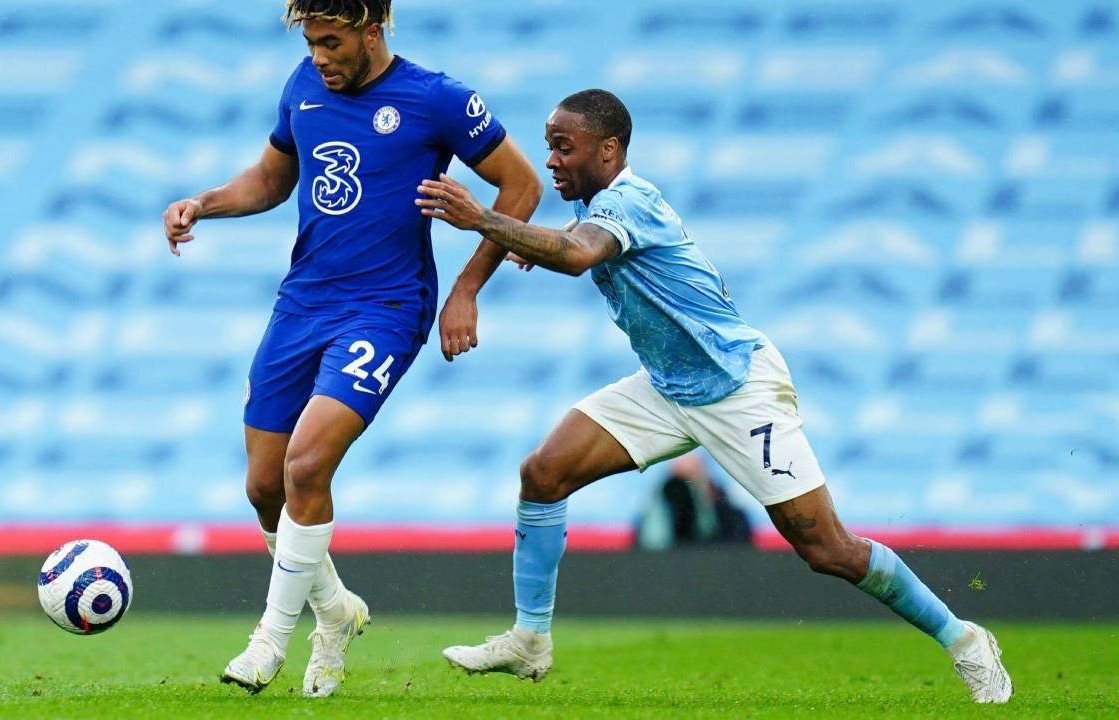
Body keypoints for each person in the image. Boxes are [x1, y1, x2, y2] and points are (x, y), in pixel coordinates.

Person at [415, 88, 1012, 704]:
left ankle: (965, 639)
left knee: (827, 549)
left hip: (735, 387)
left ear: (609, 148)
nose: (552, 162)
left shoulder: (629, 201)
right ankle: (530, 638)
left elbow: (580, 253)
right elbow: (578, 240)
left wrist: (486, 218)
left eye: (564, 148)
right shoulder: (604, 206)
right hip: (669, 386)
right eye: (549, 149)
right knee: (542, 474)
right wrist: (532, 241)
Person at [162, 0, 541, 698]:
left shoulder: (437, 98)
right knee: (264, 487)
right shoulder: (303, 87)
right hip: (302, 302)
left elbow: (520, 184)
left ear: (373, 31)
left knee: (307, 467)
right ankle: (334, 611)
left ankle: (271, 641)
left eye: (332, 41)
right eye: (310, 43)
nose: (319, 58)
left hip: (387, 307)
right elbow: (274, 179)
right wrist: (203, 202)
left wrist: (467, 288)